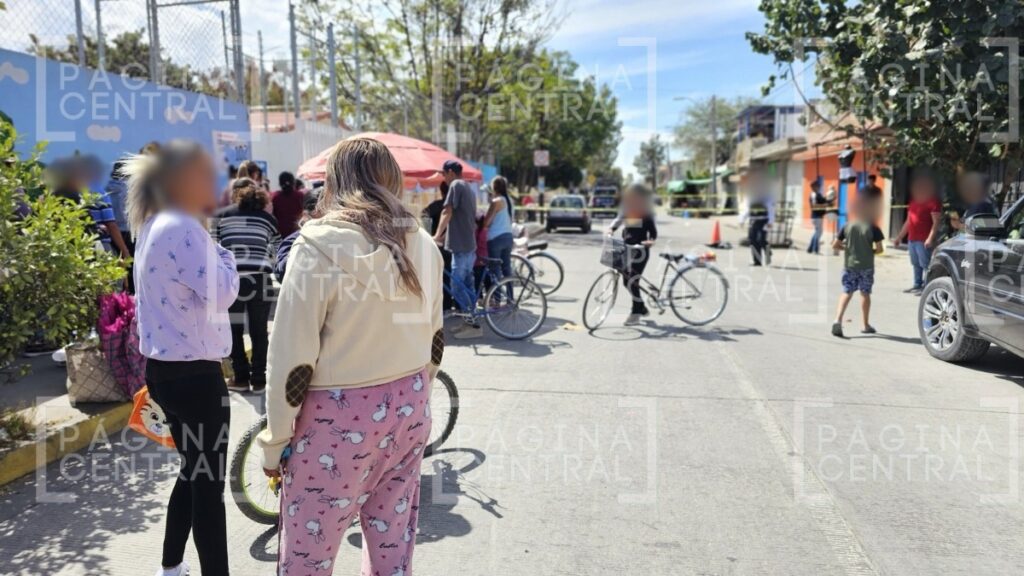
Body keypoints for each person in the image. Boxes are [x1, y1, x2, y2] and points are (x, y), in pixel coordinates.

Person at [257, 137, 442, 576]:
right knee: (392, 539)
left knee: (308, 551)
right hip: (410, 404)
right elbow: (436, 338)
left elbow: (291, 358)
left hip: (335, 421)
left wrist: (276, 442)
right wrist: (416, 391)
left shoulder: (317, 245)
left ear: (335, 182)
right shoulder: (423, 243)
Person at [123, 140, 240, 576]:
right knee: (207, 487)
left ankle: (171, 566)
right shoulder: (183, 227)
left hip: (167, 374)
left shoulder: (152, 224)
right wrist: (222, 251)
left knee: (193, 473)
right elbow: (224, 290)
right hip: (195, 378)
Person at [211, 178, 280, 393]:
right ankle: (259, 380)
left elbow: (212, 248)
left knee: (234, 329)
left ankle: (240, 378)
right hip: (260, 280)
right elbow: (277, 250)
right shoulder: (268, 219)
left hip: (232, 280)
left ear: (236, 196)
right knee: (260, 331)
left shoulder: (221, 216)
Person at [831, 195, 884, 338]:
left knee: (847, 291)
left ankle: (837, 319)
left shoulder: (847, 225)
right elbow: (880, 249)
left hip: (849, 264)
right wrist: (869, 250)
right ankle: (865, 325)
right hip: (866, 265)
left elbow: (835, 245)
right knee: (865, 293)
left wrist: (847, 249)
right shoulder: (873, 227)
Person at [432, 160, 477, 315]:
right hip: (469, 245)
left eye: (444, 174)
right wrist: (442, 237)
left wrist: (436, 235)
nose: (443, 177)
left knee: (456, 287)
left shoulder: (456, 185)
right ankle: (471, 322)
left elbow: (447, 212)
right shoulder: (468, 188)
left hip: (461, 248)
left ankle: (471, 321)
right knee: (467, 286)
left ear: (450, 172)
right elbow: (459, 220)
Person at [608, 183, 658, 326]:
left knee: (632, 280)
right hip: (627, 248)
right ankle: (641, 306)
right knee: (625, 280)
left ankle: (636, 312)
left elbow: (653, 232)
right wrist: (611, 229)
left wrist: (650, 241)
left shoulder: (646, 213)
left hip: (640, 250)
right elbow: (618, 220)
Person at [893, 172, 942, 292]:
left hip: (923, 239)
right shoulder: (914, 201)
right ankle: (917, 284)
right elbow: (908, 221)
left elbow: (936, 222)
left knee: (926, 264)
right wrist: (899, 237)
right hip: (912, 238)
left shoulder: (933, 201)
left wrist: (930, 238)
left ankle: (928, 287)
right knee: (915, 263)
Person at [274, 186, 321, 282]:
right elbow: (281, 272)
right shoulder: (294, 240)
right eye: (323, 214)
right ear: (306, 215)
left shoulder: (343, 237)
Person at [482, 176, 515, 290]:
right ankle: (510, 298)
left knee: (494, 269)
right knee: (507, 269)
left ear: (494, 187)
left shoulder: (496, 201)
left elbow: (486, 222)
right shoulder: (510, 200)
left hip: (495, 238)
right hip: (508, 236)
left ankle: (497, 299)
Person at [741, 169, 775, 266]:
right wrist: (742, 219)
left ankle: (768, 253)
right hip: (753, 221)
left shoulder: (766, 196)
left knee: (761, 240)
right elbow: (747, 208)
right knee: (753, 241)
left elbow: (771, 209)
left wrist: (771, 221)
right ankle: (757, 261)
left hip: (763, 221)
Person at [271, 171, 306, 238]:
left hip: (280, 234)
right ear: (293, 182)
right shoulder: (300, 196)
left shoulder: (275, 197)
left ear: (280, 183)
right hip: (297, 232)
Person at [807, 180, 829, 254]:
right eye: (818, 186)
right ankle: (815, 249)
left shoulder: (813, 194)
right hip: (817, 216)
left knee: (817, 232)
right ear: (814, 187)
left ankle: (810, 248)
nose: (819, 187)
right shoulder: (816, 195)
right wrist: (826, 202)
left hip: (815, 216)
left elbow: (822, 200)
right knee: (819, 232)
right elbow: (820, 203)